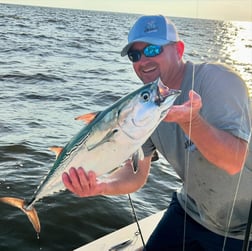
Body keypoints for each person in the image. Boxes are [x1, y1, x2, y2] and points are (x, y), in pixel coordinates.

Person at [62, 15, 252, 250]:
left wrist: (191, 121)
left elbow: (234, 161)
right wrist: (100, 185)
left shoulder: (219, 80)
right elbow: (135, 175)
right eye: (135, 55)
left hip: (244, 230)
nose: (143, 60)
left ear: (179, 50)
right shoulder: (144, 106)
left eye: (153, 49)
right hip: (189, 211)